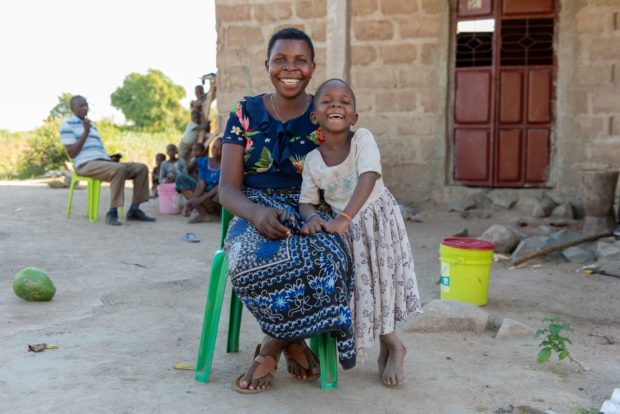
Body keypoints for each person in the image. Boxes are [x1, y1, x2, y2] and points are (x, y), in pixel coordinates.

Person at [219, 28, 355, 393]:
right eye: (280, 60)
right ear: (267, 66)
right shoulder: (243, 112)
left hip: (311, 207)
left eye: (300, 61)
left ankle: (273, 345)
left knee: (328, 256)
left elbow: (345, 173)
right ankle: (295, 341)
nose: (289, 68)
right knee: (248, 259)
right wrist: (255, 214)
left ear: (313, 67)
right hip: (253, 208)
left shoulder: (326, 111)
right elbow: (226, 189)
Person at [299, 79, 423, 387]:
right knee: (363, 289)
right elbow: (306, 201)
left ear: (354, 117)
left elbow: (369, 176)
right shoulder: (313, 161)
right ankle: (387, 344)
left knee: (383, 284)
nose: (337, 105)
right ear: (315, 117)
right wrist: (313, 217)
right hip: (348, 234)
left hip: (378, 222)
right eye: (327, 101)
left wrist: (344, 216)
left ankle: (393, 344)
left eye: (345, 101)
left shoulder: (362, 140)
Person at [60, 95, 156, 226]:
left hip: (103, 162)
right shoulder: (67, 125)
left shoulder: (91, 125)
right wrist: (85, 133)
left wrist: (109, 158)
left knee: (141, 168)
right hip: (85, 164)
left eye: (86, 104)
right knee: (119, 169)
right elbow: (72, 153)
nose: (85, 108)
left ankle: (134, 209)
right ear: (72, 108)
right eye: (80, 106)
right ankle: (112, 212)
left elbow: (96, 149)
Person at [185, 137, 222, 223]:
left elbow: (219, 186)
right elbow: (201, 184)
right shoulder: (204, 162)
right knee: (181, 179)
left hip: (216, 199)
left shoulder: (226, 165)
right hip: (205, 195)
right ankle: (202, 214)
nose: (215, 150)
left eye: (220, 149)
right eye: (214, 147)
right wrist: (194, 200)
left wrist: (200, 199)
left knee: (223, 189)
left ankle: (220, 215)